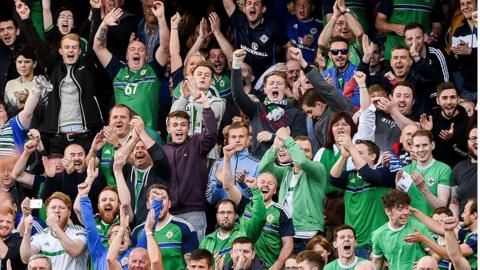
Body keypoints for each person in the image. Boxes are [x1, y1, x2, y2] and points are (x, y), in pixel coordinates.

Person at [16, 1, 103, 154]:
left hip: (84, 134)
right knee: (55, 174)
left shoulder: (86, 67)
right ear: (61, 51)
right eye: (67, 47)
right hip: (58, 136)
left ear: (79, 50)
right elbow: (37, 46)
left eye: (74, 47)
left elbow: (94, 38)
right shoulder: (53, 68)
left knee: (89, 174)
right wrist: (26, 19)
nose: (71, 50)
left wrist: (96, 10)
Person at [93, 3, 169, 131]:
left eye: (141, 49)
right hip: (122, 136)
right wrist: (104, 23)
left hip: (148, 136)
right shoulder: (117, 70)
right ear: (127, 55)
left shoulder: (153, 70)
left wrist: (161, 18)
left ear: (146, 55)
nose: (136, 52)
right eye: (132, 49)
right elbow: (98, 47)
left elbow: (165, 47)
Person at [219, 144, 294, 269]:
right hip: (245, 264)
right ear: (254, 185)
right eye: (262, 182)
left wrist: (277, 265)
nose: (265, 185)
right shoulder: (245, 204)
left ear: (275, 190)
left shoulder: (281, 211)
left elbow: (288, 243)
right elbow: (228, 186)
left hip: (270, 265)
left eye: (270, 183)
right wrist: (227, 159)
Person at [259, 127, 326, 252]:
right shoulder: (285, 172)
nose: (302, 153)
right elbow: (263, 168)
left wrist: (287, 139)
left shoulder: (318, 169)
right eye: (298, 149)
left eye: (306, 150)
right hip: (287, 234)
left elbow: (302, 161)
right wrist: (275, 146)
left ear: (311, 154)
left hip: (308, 235)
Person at [231, 49, 307, 158]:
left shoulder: (296, 113)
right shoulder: (256, 109)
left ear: (285, 89)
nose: (275, 86)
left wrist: (272, 138)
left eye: (279, 83)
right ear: (265, 89)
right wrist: (236, 65)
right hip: (258, 164)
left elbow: (300, 144)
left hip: (284, 167)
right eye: (271, 83)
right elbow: (238, 94)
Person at [164, 93, 217, 241]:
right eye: (174, 125)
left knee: (195, 258)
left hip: (194, 211)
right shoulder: (163, 151)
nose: (179, 128)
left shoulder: (196, 143)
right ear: (168, 129)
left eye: (183, 125)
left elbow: (211, 133)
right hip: (170, 213)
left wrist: (206, 105)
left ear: (188, 127)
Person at [329, 137, 393, 259]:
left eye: (359, 153)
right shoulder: (350, 176)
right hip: (352, 245)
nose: (354, 155)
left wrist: (351, 147)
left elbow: (369, 175)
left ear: (373, 156)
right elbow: (333, 178)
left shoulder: (385, 173)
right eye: (353, 152)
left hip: (374, 245)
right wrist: (343, 156)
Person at [112, 115, 170, 226]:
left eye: (144, 148)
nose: (139, 151)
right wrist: (134, 140)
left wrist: (142, 132)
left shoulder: (160, 171)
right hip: (127, 226)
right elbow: (116, 161)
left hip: (153, 225)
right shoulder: (127, 170)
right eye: (136, 148)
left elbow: (159, 156)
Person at [134, 184, 198, 270]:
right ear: (148, 204)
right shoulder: (137, 231)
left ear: (169, 204)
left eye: (163, 198)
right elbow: (137, 260)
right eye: (154, 199)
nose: (159, 202)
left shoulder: (184, 228)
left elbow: (192, 265)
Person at [221, 0, 288, 80]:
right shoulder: (239, 19)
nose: (252, 6)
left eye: (256, 4)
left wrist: (287, 65)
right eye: (249, 3)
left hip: (265, 80)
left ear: (263, 9)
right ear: (244, 8)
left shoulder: (272, 27)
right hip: (243, 76)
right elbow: (227, 3)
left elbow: (289, 45)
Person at [20, 192, 88, 270]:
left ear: (69, 213)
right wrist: (27, 231)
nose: (57, 210)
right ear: (47, 212)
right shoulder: (41, 235)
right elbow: (26, 258)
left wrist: (54, 226)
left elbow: (75, 251)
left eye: (61, 208)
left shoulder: (77, 231)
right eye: (53, 207)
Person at [371, 189, 435, 270]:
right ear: (388, 211)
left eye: (407, 208)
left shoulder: (419, 228)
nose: (406, 212)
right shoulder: (378, 234)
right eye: (400, 208)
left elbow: (436, 254)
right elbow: (377, 262)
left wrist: (425, 264)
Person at [77, 181, 131, 270]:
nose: (108, 202)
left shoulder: (133, 255)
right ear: (109, 240)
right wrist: (83, 196)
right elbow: (89, 225)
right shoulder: (99, 253)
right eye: (104, 200)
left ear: (130, 241)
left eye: (112, 200)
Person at [397, 129, 451, 216]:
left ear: (432, 145)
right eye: (417, 146)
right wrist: (399, 189)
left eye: (425, 145)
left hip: (432, 225)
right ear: (412, 147)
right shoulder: (406, 170)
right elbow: (401, 205)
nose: (421, 149)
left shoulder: (444, 169)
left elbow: (442, 209)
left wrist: (423, 188)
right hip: (410, 225)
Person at [206, 121, 259, 205]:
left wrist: (243, 185)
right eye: (233, 137)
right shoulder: (218, 164)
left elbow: (259, 198)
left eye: (241, 136)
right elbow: (210, 199)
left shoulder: (257, 164)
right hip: (225, 214)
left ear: (248, 140)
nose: (237, 140)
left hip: (248, 216)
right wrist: (219, 184)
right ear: (228, 140)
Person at [420, 83, 470, 168]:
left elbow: (468, 154)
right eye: (444, 98)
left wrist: (453, 140)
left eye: (452, 97)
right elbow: (423, 151)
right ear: (437, 101)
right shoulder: (430, 120)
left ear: (458, 99)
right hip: (435, 170)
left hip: (460, 169)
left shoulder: (468, 122)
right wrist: (427, 132)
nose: (449, 102)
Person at [375, 0, 443, 60]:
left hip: (422, 54)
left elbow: (437, 26)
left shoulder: (434, 1)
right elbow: (378, 23)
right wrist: (394, 27)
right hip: (395, 54)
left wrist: (434, 34)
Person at [450, 0, 478, 102]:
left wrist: (471, 51)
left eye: (469, 3)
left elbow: (470, 52)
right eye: (462, 4)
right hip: (468, 90)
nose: (465, 7)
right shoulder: (459, 31)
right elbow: (452, 63)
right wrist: (457, 54)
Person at [322, 36, 359, 108]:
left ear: (349, 54)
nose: (339, 55)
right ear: (330, 55)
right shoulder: (325, 74)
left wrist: (334, 91)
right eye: (335, 52)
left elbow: (358, 102)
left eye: (343, 51)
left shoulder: (358, 74)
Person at [450, 125, 477, 216]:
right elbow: (454, 202)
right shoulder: (459, 168)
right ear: (468, 142)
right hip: (465, 225)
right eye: (473, 138)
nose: (477, 141)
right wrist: (455, 221)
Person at [0, 205, 27, 269]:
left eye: (8, 222)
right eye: (1, 221)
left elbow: (9, 257)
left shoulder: (18, 240)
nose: (4, 224)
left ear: (13, 224)